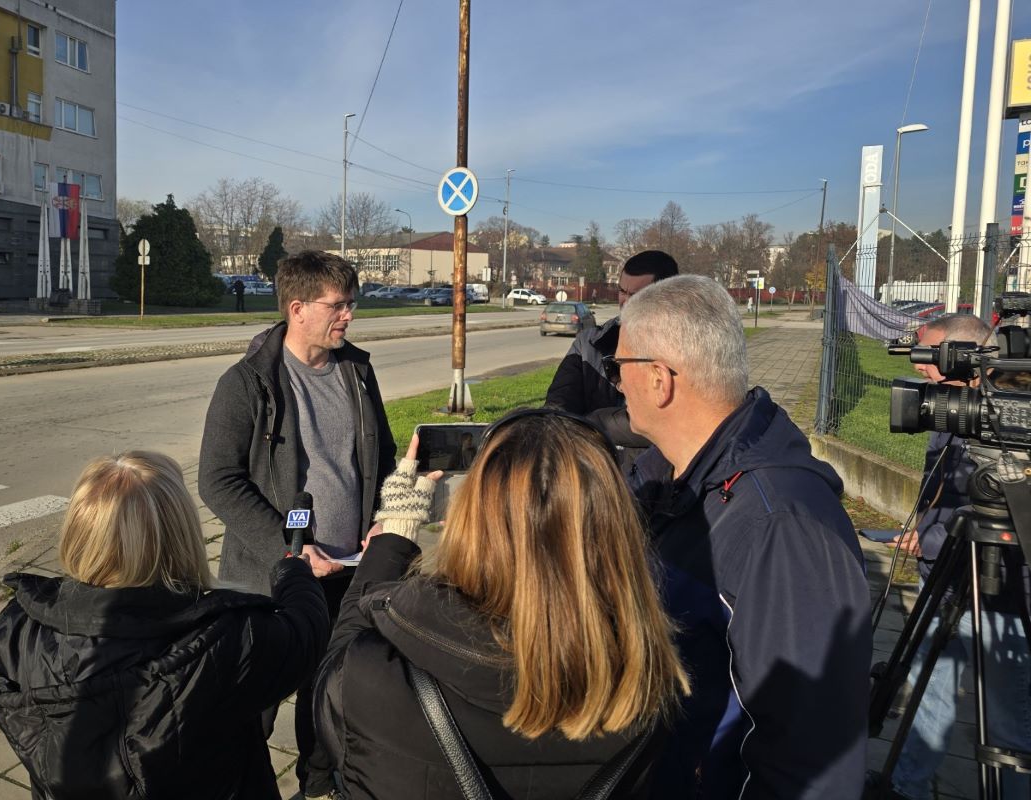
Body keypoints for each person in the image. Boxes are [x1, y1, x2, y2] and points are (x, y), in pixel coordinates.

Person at [315, 412, 690, 799]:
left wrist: (396, 528)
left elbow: (333, 681)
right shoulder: (653, 683)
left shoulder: (381, 672)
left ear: (470, 522)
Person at [615, 275, 872, 798]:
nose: (617, 384)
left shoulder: (781, 529)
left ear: (660, 380)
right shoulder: (680, 476)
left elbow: (812, 763)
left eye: (621, 367)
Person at [0, 451, 329, 800]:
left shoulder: (18, 627)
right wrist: (292, 571)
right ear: (180, 536)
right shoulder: (228, 637)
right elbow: (306, 633)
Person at [199, 249, 396, 798]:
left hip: (345, 571)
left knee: (329, 694)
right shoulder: (246, 384)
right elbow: (218, 481)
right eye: (338, 305)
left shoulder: (357, 371)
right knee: (251, 705)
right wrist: (285, 552)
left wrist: (383, 516)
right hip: (268, 579)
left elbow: (382, 455)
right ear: (297, 308)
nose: (349, 316)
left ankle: (318, 785)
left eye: (352, 304)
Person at [884, 314, 1031, 800]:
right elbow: (946, 484)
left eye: (931, 357)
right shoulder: (954, 407)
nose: (921, 368)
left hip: (1003, 593)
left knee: (1008, 717)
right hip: (945, 577)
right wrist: (924, 528)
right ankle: (907, 785)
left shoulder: (1010, 414)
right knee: (930, 691)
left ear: (965, 357)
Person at [545, 250, 678, 462]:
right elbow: (558, 412)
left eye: (636, 295)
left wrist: (593, 424)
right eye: (622, 291)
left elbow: (669, 421)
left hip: (659, 482)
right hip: (594, 473)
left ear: (667, 298)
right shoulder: (589, 344)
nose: (625, 301)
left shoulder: (685, 349)